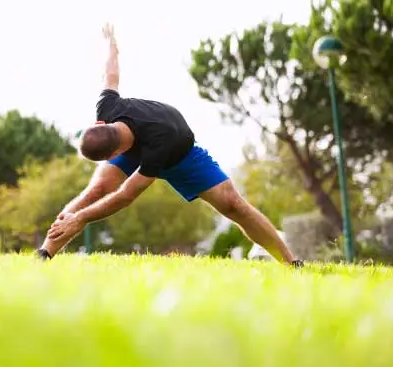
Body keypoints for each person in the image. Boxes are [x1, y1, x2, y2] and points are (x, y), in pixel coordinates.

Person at [36, 23, 303, 267]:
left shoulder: (159, 138)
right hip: (136, 145)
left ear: (115, 151)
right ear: (99, 124)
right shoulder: (108, 107)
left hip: (180, 156)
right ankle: (44, 254)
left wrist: (81, 218)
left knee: (233, 204)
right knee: (95, 190)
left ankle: (291, 263)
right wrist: (112, 47)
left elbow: (126, 195)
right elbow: (111, 75)